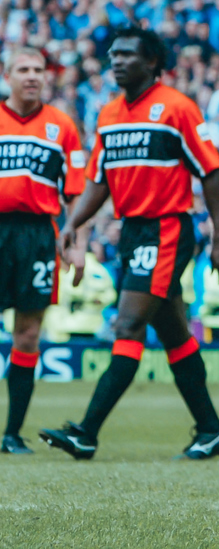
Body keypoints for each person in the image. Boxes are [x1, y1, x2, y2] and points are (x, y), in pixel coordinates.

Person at [39, 27, 219, 460]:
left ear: (151, 62)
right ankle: (212, 430)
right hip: (132, 233)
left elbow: (212, 173)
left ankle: (86, 432)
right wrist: (72, 222)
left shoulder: (178, 108)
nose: (116, 60)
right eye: (113, 54)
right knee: (174, 333)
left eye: (127, 54)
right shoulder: (108, 114)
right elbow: (98, 182)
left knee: (128, 325)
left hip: (166, 229)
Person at [0, 47, 86, 454]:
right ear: (7, 75)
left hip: (37, 233)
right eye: (23, 69)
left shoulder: (62, 126)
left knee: (28, 332)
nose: (32, 76)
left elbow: (76, 195)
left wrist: (77, 244)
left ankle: (12, 433)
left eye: (38, 70)